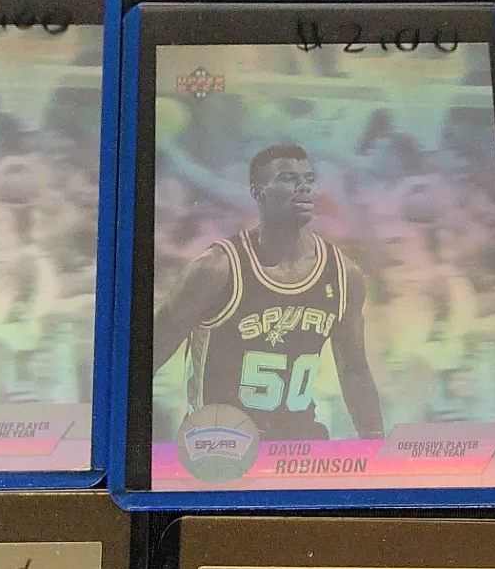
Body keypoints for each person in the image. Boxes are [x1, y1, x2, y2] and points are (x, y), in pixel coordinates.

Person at [153, 143, 384, 441]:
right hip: (221, 445)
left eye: (309, 179)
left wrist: (375, 442)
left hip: (298, 444)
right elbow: (149, 353)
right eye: (288, 178)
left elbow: (354, 370)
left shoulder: (344, 275)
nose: (303, 187)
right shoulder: (217, 269)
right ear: (258, 192)